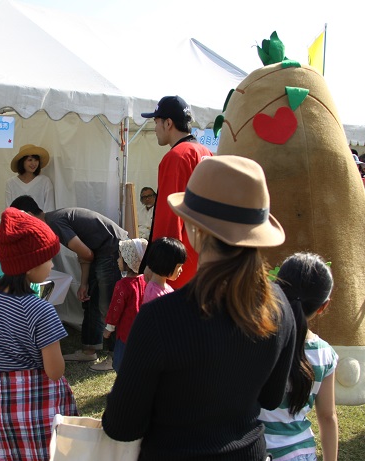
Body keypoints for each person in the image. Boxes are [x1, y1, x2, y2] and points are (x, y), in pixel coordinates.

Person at [102, 156, 296, 460]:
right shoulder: (281, 305)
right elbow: (271, 397)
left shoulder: (160, 317)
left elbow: (121, 426)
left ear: (194, 229)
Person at [0, 207, 78, 460]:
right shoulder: (41, 310)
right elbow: (55, 371)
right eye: (48, 259)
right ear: (29, 266)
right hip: (41, 404)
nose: (52, 264)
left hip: (2, 402)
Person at [10, 195, 128, 363]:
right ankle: (89, 350)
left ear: (29, 214)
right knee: (91, 302)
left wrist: (84, 281)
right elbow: (86, 253)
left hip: (112, 249)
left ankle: (115, 357)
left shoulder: (54, 222)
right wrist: (84, 283)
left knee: (106, 304)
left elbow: (86, 254)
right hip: (102, 251)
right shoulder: (54, 220)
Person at [259, 252, 338, 461]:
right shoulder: (324, 354)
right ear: (324, 306)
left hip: (254, 448)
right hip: (300, 453)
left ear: (275, 288)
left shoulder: (254, 339)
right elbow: (327, 416)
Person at [140, 95, 212, 289]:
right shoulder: (207, 153)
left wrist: (158, 267)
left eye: (156, 122)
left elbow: (169, 216)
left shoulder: (176, 157)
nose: (155, 128)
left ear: (168, 123)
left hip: (180, 267)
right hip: (206, 260)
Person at [95, 238, 148, 373]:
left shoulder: (123, 285)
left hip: (125, 332)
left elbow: (115, 309)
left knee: (121, 363)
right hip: (142, 331)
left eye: (120, 257)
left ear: (129, 261)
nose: (118, 260)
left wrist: (109, 328)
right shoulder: (145, 280)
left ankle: (124, 387)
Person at [5, 144, 55, 212]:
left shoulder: (45, 181)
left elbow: (49, 208)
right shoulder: (11, 183)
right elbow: (8, 209)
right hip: (17, 221)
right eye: (30, 160)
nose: (33, 163)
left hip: (38, 221)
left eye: (36, 160)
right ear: (22, 162)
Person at [142, 237, 186, 304]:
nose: (181, 270)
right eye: (178, 266)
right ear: (166, 264)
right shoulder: (154, 294)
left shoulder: (164, 287)